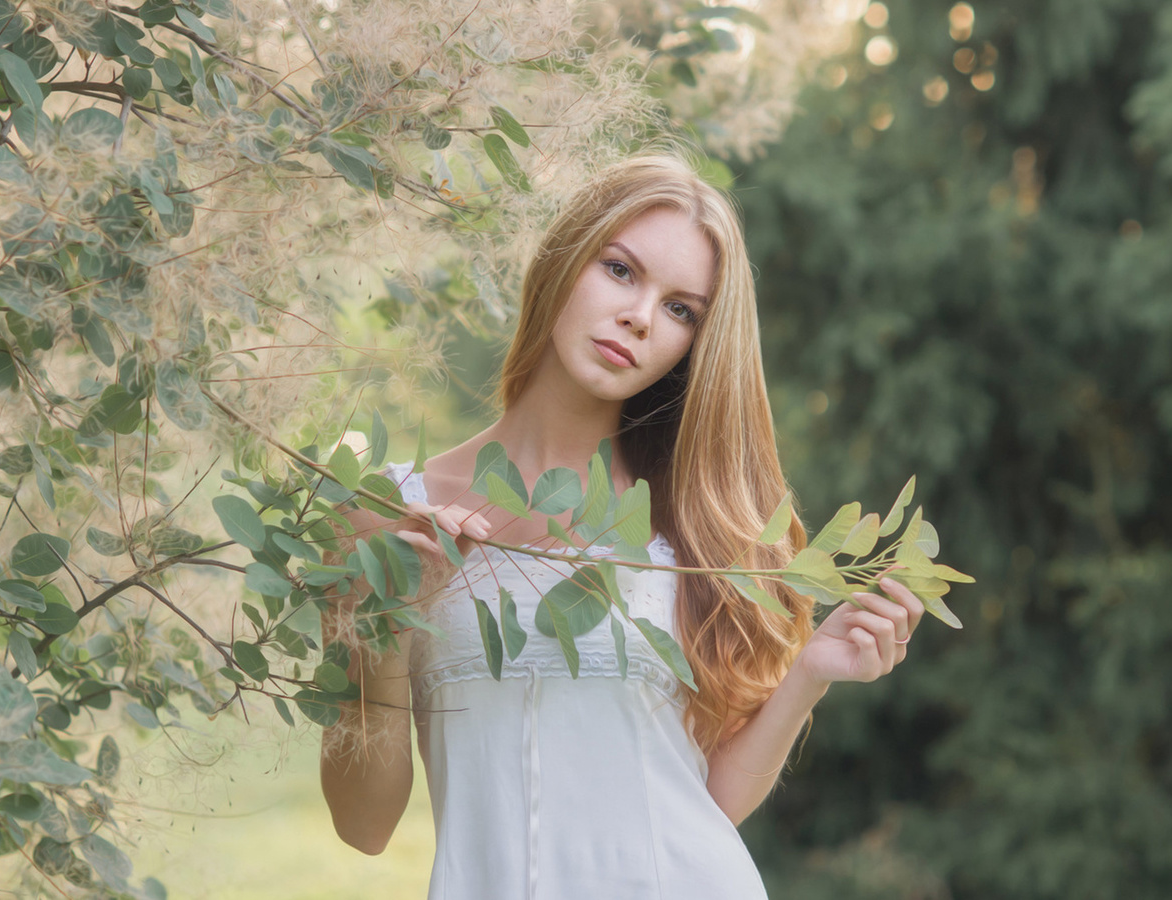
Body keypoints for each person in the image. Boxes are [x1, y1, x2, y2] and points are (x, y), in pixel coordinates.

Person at [320, 153, 924, 899]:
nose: (640, 315)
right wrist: (390, 618)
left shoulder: (691, 536)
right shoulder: (386, 514)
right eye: (621, 271)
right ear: (564, 261)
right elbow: (364, 825)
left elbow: (707, 803)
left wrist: (808, 677)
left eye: (680, 310)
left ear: (691, 346)